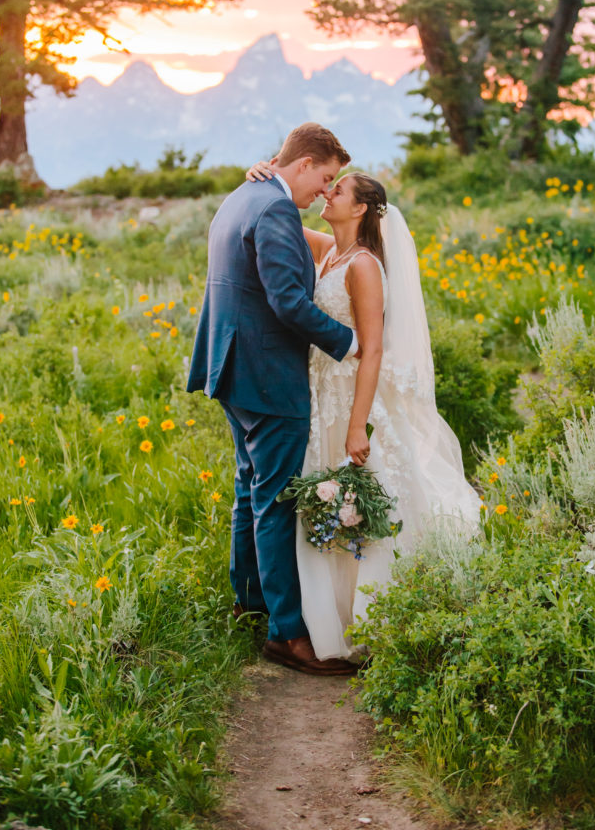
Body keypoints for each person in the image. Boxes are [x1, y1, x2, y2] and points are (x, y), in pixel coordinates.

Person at [246, 162, 482, 661]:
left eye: (339, 190)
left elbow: (371, 350)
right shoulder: (330, 250)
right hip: (318, 396)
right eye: (328, 185)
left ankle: (370, 618)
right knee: (323, 500)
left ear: (361, 209)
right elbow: (279, 211)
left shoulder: (364, 265)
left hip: (350, 400)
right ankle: (322, 613)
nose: (327, 193)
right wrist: (268, 173)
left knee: (361, 496)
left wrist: (358, 425)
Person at [187, 122, 361, 676]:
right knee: (276, 500)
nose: (324, 192)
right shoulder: (277, 209)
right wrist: (348, 341)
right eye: (325, 177)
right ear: (304, 162)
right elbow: (288, 302)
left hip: (231, 368)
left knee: (250, 488)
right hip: (267, 377)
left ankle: (250, 602)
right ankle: (286, 634)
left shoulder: (243, 196)